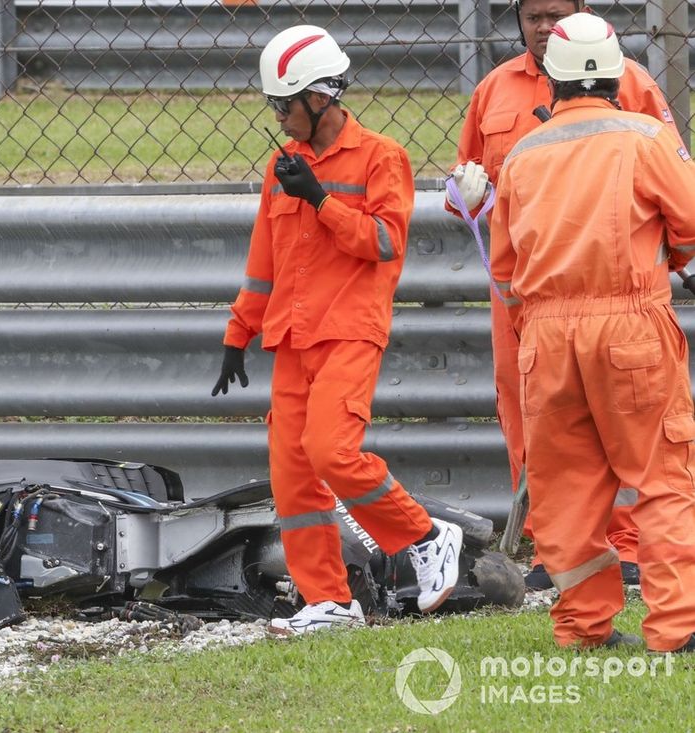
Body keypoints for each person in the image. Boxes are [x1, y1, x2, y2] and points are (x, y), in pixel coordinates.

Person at [211, 24, 464, 635]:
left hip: (349, 329)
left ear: (320, 97)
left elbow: (385, 242)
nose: (278, 118)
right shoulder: (282, 165)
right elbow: (264, 260)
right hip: (292, 337)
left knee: (331, 451)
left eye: (285, 106)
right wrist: (238, 332)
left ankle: (426, 537)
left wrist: (322, 200)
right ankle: (327, 599)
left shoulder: (381, 157)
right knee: (293, 473)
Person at [447, 0, 683, 590]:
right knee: (536, 422)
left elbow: (668, 177)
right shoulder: (495, 90)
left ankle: (621, 548)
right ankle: (556, 556)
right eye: (533, 17)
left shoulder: (635, 84)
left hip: (585, 293)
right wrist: (466, 198)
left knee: (613, 438)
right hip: (540, 296)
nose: (544, 27)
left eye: (555, 16)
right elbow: (467, 184)